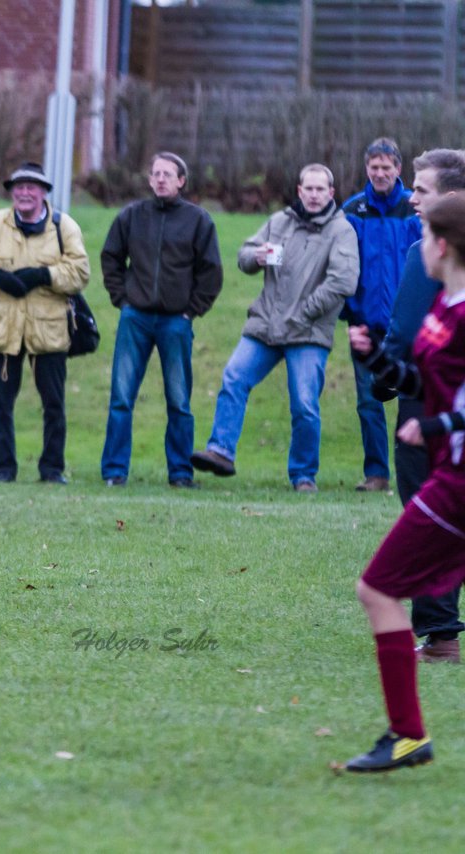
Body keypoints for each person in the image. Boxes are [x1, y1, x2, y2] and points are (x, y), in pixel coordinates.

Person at [343, 193, 465, 772]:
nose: (417, 242)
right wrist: (376, 363)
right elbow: (425, 377)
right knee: (380, 590)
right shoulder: (445, 306)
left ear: (442, 244)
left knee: (376, 588)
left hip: (459, 486)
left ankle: (407, 734)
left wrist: (438, 424)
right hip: (449, 475)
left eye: (422, 231)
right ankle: (406, 733)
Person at [190, 164, 358, 491]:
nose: (313, 195)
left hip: (307, 332)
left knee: (305, 405)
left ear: (331, 193)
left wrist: (306, 311)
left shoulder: (342, 232)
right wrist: (257, 257)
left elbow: (344, 281)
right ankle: (221, 451)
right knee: (234, 378)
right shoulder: (280, 221)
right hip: (266, 325)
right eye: (307, 188)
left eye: (319, 189)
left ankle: (303, 475)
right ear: (299, 191)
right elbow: (242, 256)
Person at [378, 149, 465, 663]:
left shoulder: (425, 252)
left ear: (452, 199)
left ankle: (440, 636)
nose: (412, 197)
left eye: (422, 189)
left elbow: (406, 333)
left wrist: (383, 380)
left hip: (427, 408)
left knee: (427, 515)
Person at [0, 161, 91, 484]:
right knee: (1, 405)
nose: (24, 193)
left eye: (32, 187)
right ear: (12, 193)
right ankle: (3, 470)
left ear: (45, 192)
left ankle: (52, 470)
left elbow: (80, 272)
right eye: (19, 187)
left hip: (49, 329)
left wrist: (43, 275)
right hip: (3, 329)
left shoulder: (65, 227)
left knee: (54, 405)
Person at [100, 152, 223, 488]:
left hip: (175, 321)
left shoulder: (198, 221)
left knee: (179, 401)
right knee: (122, 397)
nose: (161, 179)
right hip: (135, 317)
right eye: (155, 173)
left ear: (181, 180)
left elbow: (211, 272)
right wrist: (122, 300)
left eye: (168, 174)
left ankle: (181, 473)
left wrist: (191, 309)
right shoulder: (132, 216)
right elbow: (111, 257)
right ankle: (114, 471)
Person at [341, 137, 422, 492]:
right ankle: (376, 473)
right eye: (373, 168)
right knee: (369, 401)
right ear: (366, 169)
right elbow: (341, 266)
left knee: (416, 398)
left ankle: (422, 473)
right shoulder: (353, 210)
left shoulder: (414, 209)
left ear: (398, 170)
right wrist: (351, 313)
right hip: (366, 323)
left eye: (386, 168)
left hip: (411, 326)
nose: (379, 173)